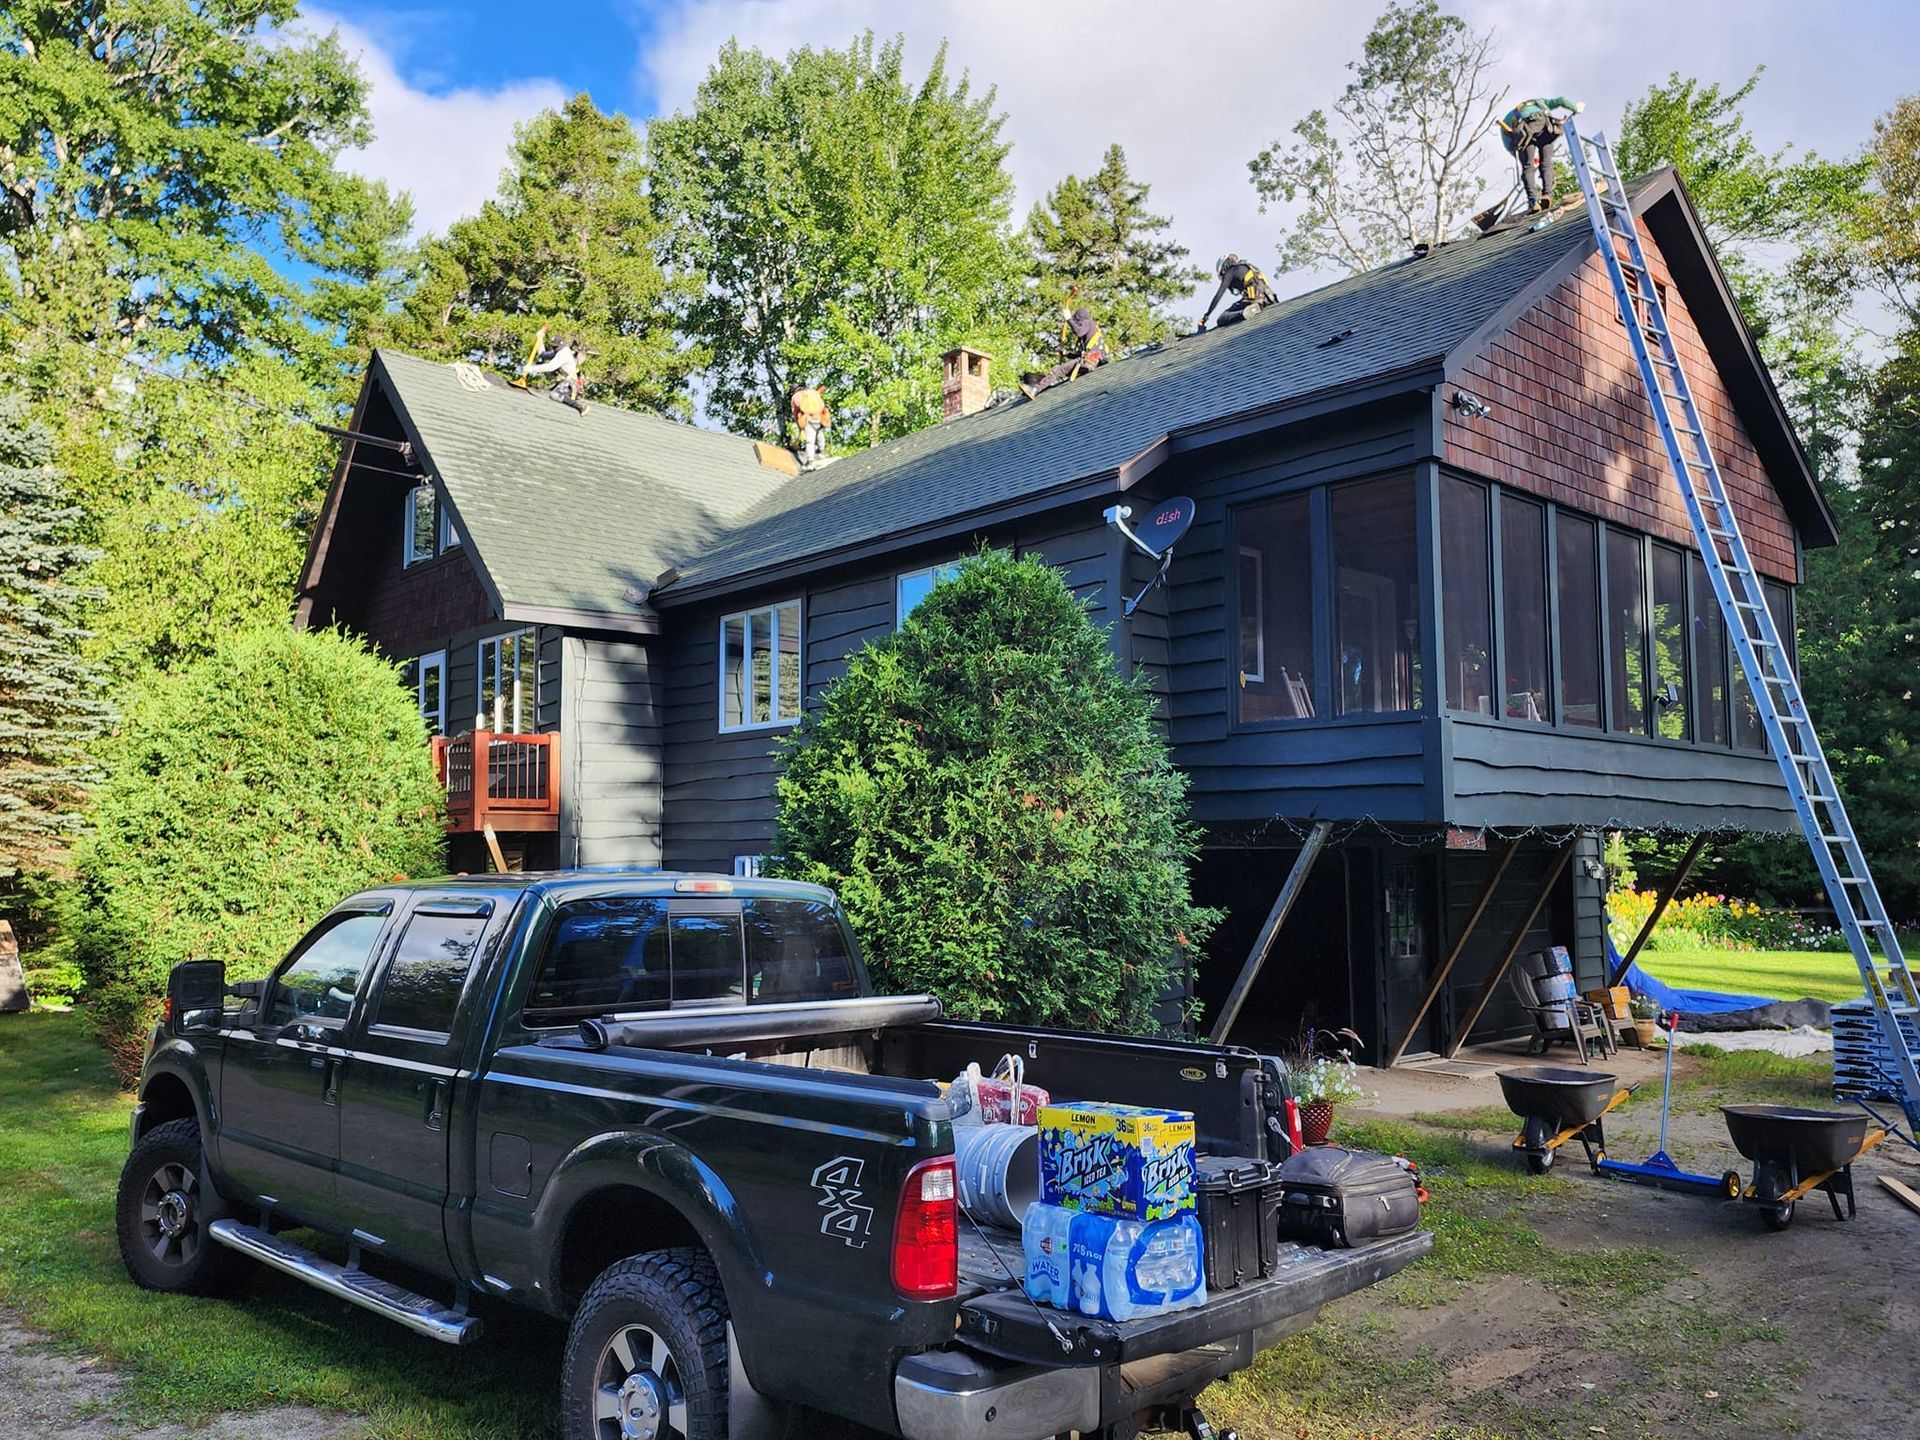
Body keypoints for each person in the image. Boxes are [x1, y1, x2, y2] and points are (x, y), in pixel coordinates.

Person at [1497, 96, 1585, 213]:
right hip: (1545, 125)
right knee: (1546, 162)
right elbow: (1562, 100)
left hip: (1525, 129)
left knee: (1528, 167)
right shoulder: (1541, 103)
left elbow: (1511, 146)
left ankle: (1533, 201)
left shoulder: (1510, 117)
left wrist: (1522, 157)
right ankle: (1547, 195)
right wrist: (1576, 107)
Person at [1020, 305, 1108, 399]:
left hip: (1087, 361)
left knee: (1058, 370)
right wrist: (1066, 354)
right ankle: (1043, 383)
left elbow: (1079, 332)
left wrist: (1069, 319)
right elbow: (1081, 354)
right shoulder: (1091, 337)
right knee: (1062, 371)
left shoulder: (1088, 322)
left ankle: (1034, 390)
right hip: (1090, 361)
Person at [514, 325, 587, 413]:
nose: (553, 348)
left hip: (571, 382)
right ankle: (577, 405)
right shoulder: (558, 351)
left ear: (561, 344)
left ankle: (581, 407)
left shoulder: (563, 354)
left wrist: (531, 368)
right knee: (553, 394)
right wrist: (540, 339)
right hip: (566, 380)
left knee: (554, 394)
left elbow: (550, 367)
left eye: (555, 347)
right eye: (553, 346)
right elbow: (543, 354)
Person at [1197, 254, 1276, 330]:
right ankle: (1255, 307)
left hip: (1253, 299)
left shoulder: (1230, 272)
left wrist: (1206, 316)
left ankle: (1245, 312)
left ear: (1224, 269)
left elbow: (1218, 296)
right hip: (1268, 298)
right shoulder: (1248, 267)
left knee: (1222, 318)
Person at [789, 383, 832, 464]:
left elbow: (795, 414)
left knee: (810, 441)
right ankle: (822, 452)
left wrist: (799, 426)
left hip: (809, 419)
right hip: (820, 417)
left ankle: (810, 461)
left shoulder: (795, 397)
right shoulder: (813, 392)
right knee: (820, 434)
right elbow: (822, 404)